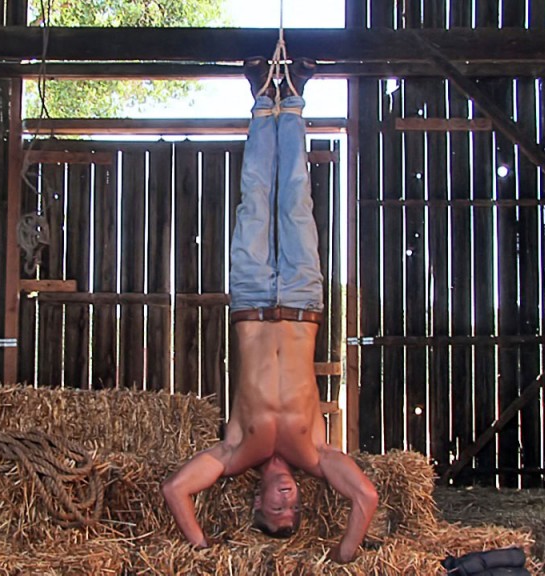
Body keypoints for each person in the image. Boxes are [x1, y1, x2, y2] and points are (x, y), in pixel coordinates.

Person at [161, 56, 378, 564]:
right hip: (303, 301)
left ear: (256, 502)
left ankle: (262, 97)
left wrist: (202, 549)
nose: (287, 501)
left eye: (276, 510)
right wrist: (345, 555)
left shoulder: (237, 450)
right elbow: (366, 498)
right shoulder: (316, 454)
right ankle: (294, 95)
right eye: (294, 511)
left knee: (255, 201)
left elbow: (175, 490)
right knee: (297, 201)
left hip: (252, 301)